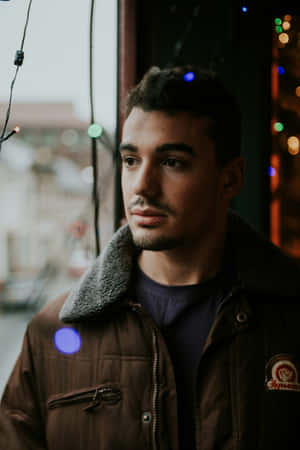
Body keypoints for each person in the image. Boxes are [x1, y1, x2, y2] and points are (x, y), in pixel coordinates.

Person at [1, 65, 300, 450]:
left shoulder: (289, 315)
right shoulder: (53, 333)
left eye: (171, 161)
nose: (141, 185)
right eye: (130, 161)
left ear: (230, 179)